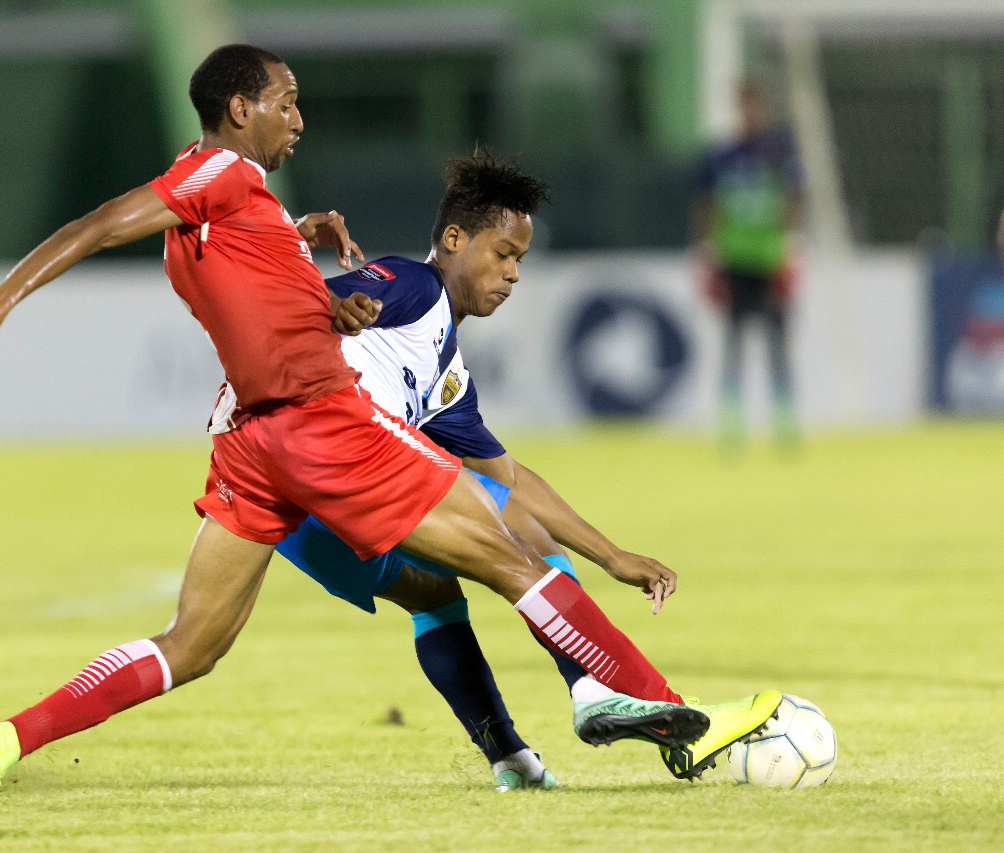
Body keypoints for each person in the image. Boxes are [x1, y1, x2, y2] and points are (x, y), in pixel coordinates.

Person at [0, 44, 778, 804]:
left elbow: (251, 280)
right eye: (286, 103)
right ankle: (655, 711)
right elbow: (105, 222)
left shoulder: (243, 205)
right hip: (323, 424)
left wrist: (298, 240)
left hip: (251, 448)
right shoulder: (227, 179)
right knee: (517, 557)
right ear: (239, 110)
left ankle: (8, 738)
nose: (299, 120)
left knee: (194, 644)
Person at [275, 151, 778, 787]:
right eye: (503, 253)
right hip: (334, 470)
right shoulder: (411, 284)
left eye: (520, 260)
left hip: (295, 518)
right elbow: (303, 304)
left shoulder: (446, 376)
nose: (513, 273)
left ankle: (513, 761)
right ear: (453, 239)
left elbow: (508, 475)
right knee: (519, 537)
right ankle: (620, 696)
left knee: (434, 593)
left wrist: (613, 557)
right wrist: (326, 291)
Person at [694, 81, 805, 453]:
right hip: (734, 261)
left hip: (770, 261)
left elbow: (793, 201)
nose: (752, 114)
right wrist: (708, 256)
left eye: (757, 107)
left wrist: (790, 250)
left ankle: (785, 427)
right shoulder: (722, 157)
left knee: (778, 348)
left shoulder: (780, 153)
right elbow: (707, 206)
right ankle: (732, 428)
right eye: (746, 107)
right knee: (733, 347)